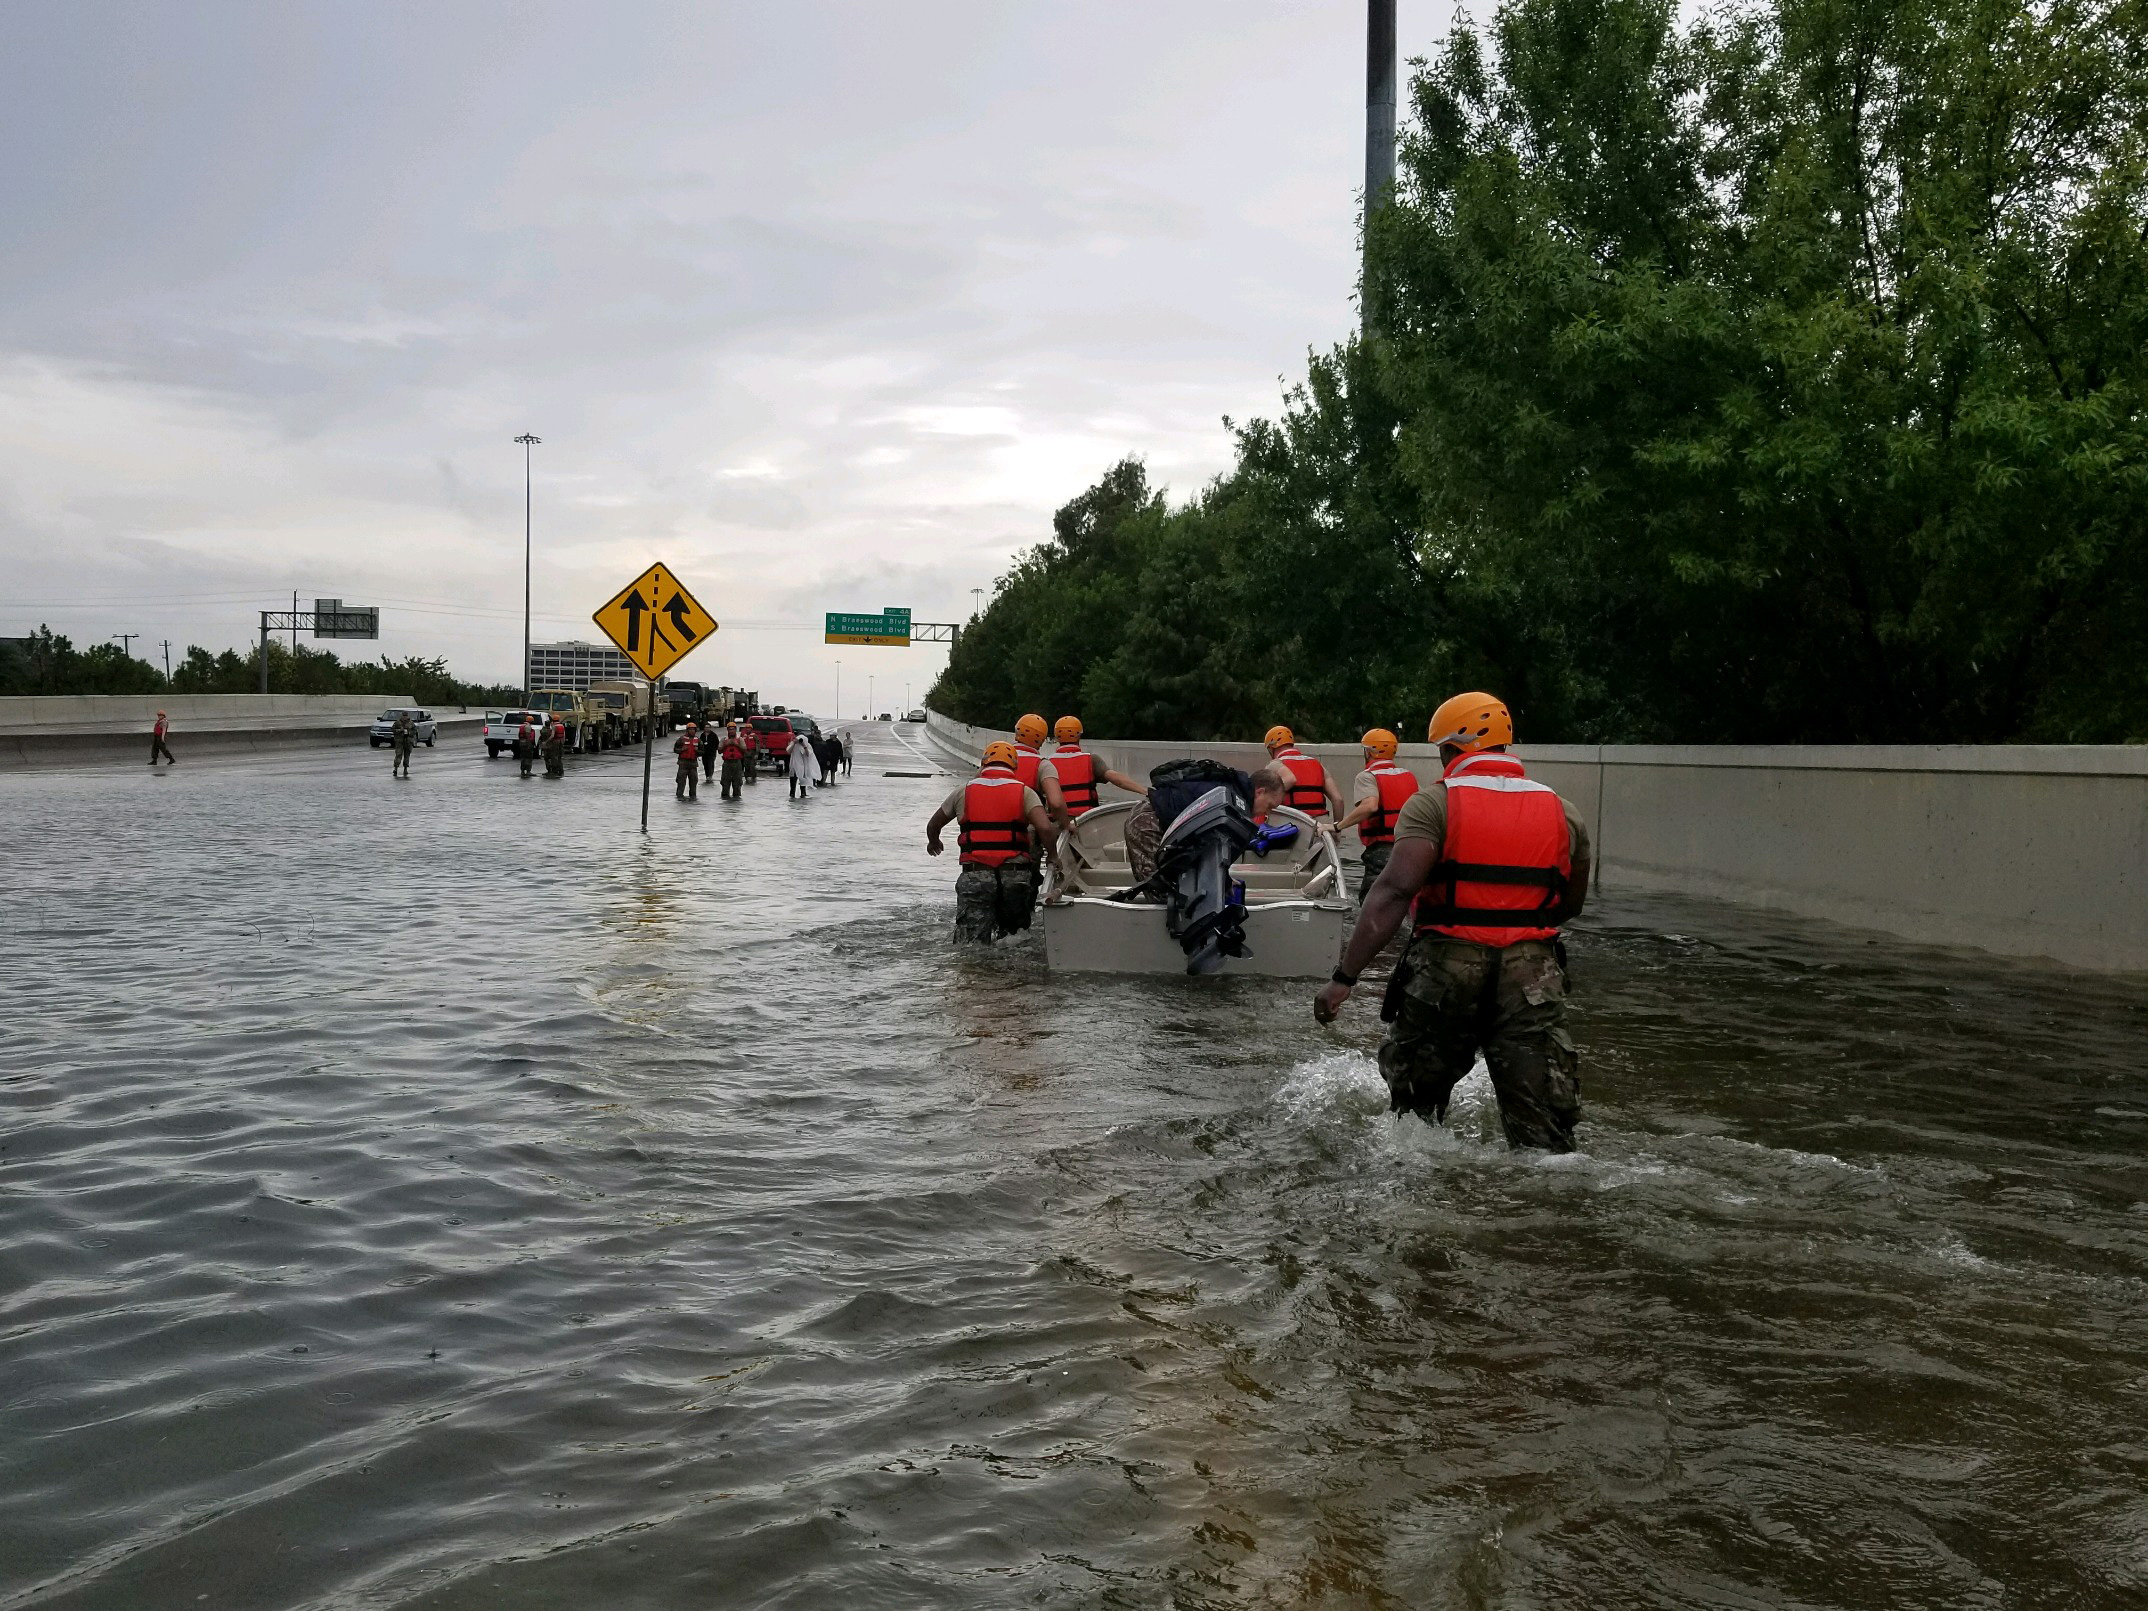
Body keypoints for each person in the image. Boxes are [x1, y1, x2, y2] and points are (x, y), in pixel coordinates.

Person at [1314, 692, 1593, 1152]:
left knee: (1414, 1122)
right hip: (1533, 977)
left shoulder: (1434, 804)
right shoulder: (1564, 811)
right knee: (1544, 1136)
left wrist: (1345, 977)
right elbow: (1570, 903)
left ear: (1449, 749)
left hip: (1446, 969)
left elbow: (1394, 892)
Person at [926, 740, 1061, 943]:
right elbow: (1044, 828)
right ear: (1014, 765)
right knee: (1015, 939)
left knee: (971, 943)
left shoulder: (963, 791)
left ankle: (977, 973)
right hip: (1014, 876)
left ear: (983, 763)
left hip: (975, 875)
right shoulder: (1024, 792)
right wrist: (1053, 856)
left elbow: (933, 824)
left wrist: (933, 842)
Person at [1123, 761, 1297, 889]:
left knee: (1176, 889)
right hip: (1149, 820)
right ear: (1260, 791)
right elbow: (1211, 848)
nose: (1266, 814)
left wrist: (1225, 880)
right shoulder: (1234, 803)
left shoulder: (1233, 792)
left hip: (1157, 816)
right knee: (1160, 888)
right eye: (1269, 806)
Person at [1333, 727, 1420, 900]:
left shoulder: (1367, 776)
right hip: (1409, 847)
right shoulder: (1408, 776)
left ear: (1369, 752)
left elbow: (1370, 806)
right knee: (1404, 898)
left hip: (1382, 849)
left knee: (1372, 900)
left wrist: (1337, 826)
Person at [1037, 716, 1147, 830]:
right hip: (1088, 821)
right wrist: (1145, 791)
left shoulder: (1046, 763)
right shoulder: (1091, 760)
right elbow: (1116, 779)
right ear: (1079, 736)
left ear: (1056, 737)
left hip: (1059, 823)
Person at [1263, 725, 1345, 820]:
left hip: (1292, 821)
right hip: (1321, 823)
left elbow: (1264, 798)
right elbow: (1338, 800)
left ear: (1271, 748)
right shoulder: (1317, 764)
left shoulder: (1275, 765)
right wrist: (1336, 829)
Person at [718, 722, 746, 799]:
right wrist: (726, 744)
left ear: (735, 730)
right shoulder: (724, 739)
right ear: (727, 730)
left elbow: (744, 750)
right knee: (725, 782)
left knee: (737, 782)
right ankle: (725, 797)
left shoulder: (740, 739)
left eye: (733, 729)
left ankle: (736, 798)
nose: (731, 731)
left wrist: (736, 744)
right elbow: (719, 750)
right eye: (730, 729)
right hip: (727, 763)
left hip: (737, 762)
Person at [673, 721, 700, 800]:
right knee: (681, 781)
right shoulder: (681, 739)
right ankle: (679, 796)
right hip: (683, 763)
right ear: (687, 730)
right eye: (690, 729)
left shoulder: (698, 740)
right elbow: (675, 749)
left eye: (693, 729)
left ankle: (693, 796)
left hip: (693, 764)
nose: (692, 731)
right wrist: (682, 749)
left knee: (693, 781)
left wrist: (697, 751)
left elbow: (702, 751)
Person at [786, 730, 814, 797]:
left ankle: (803, 796)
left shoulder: (807, 745)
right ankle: (792, 797)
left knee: (803, 786)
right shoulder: (793, 744)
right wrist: (793, 743)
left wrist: (804, 745)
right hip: (794, 766)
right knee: (792, 787)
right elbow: (788, 751)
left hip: (803, 767)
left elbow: (808, 754)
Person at [541, 714, 567, 778]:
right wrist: (563, 742)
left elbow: (552, 736)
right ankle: (561, 771)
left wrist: (546, 742)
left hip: (555, 742)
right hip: (561, 741)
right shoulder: (562, 726)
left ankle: (555, 771)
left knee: (554, 757)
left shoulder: (554, 726)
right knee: (559, 757)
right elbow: (564, 735)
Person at [391, 712, 416, 779]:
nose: (405, 717)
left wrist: (409, 733)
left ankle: (405, 769)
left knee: (407, 756)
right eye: (404, 716)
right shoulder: (397, 723)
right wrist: (399, 730)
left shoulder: (411, 723)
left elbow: (415, 731)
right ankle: (395, 769)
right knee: (398, 755)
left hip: (408, 742)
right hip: (400, 741)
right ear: (401, 716)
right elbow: (392, 730)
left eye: (406, 716)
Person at [515, 714, 538, 778]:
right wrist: (529, 744)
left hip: (521, 742)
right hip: (527, 743)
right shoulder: (528, 726)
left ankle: (522, 771)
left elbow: (519, 735)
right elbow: (528, 735)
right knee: (528, 757)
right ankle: (528, 771)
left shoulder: (521, 726)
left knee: (523, 757)